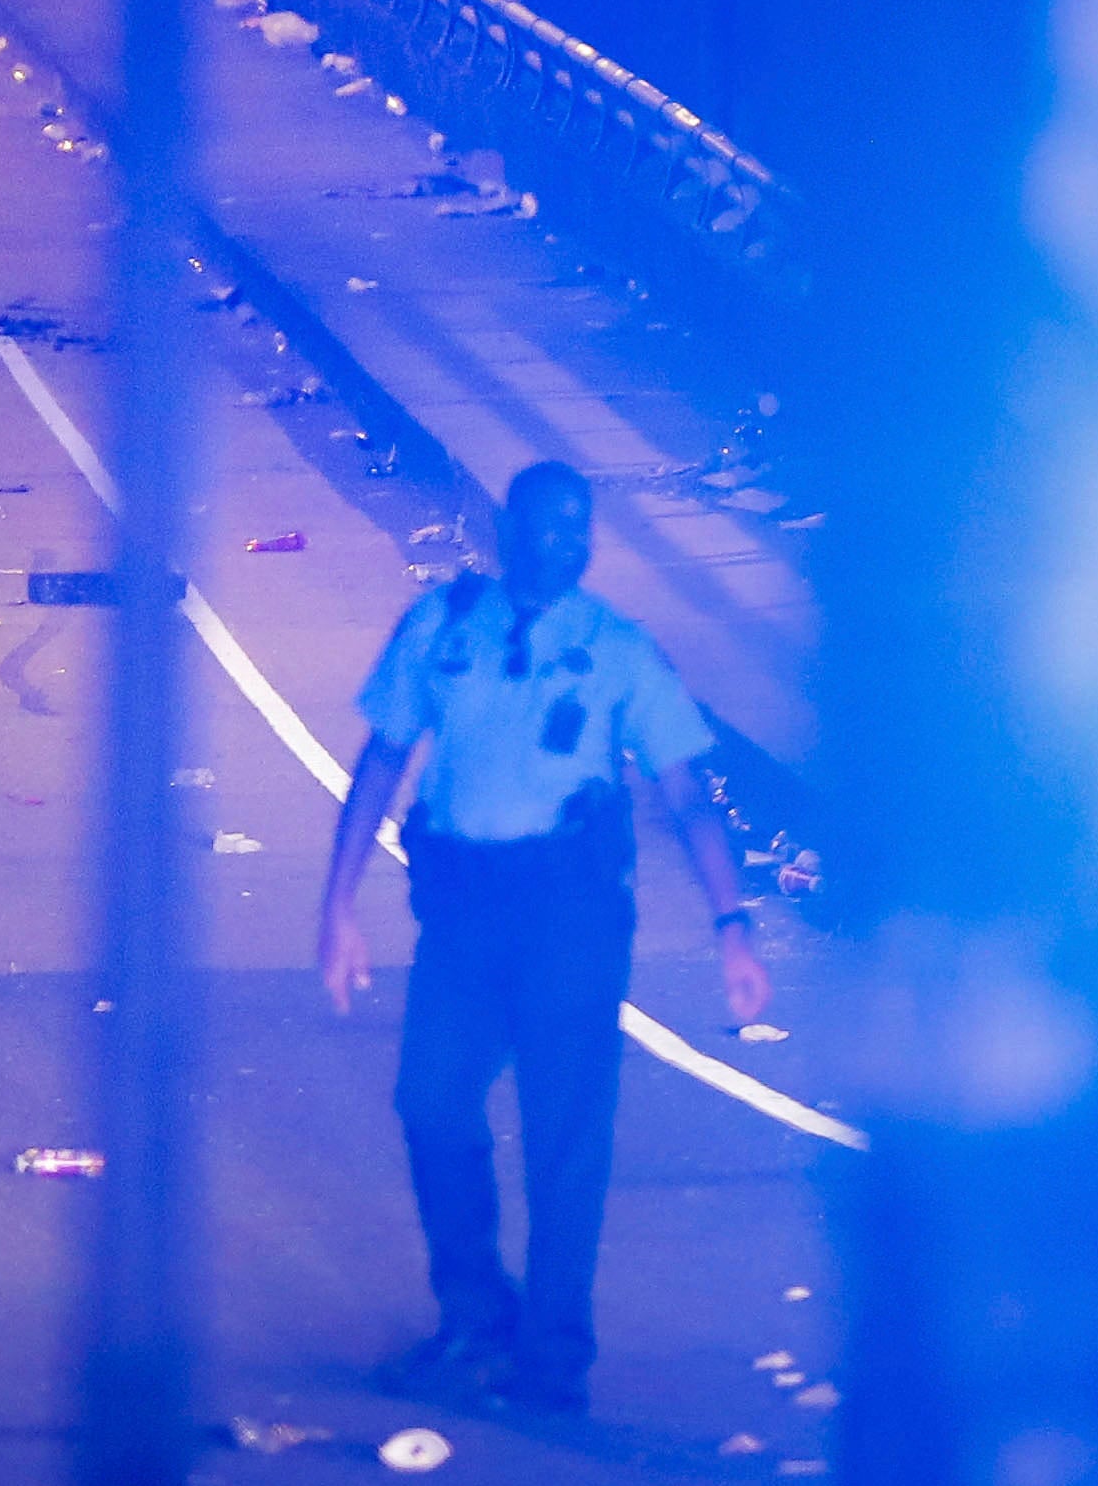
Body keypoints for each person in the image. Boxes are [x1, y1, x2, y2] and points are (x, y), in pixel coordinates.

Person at [315, 461, 770, 1416]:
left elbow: (686, 791)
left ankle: (553, 1353)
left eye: (579, 528)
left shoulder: (617, 651)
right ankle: (476, 1314)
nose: (565, 542)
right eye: (547, 524)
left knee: (566, 1136)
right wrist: (338, 907)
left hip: (570, 916)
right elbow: (384, 756)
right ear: (506, 527)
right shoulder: (442, 629)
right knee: (431, 1103)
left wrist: (733, 927)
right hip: (464, 911)